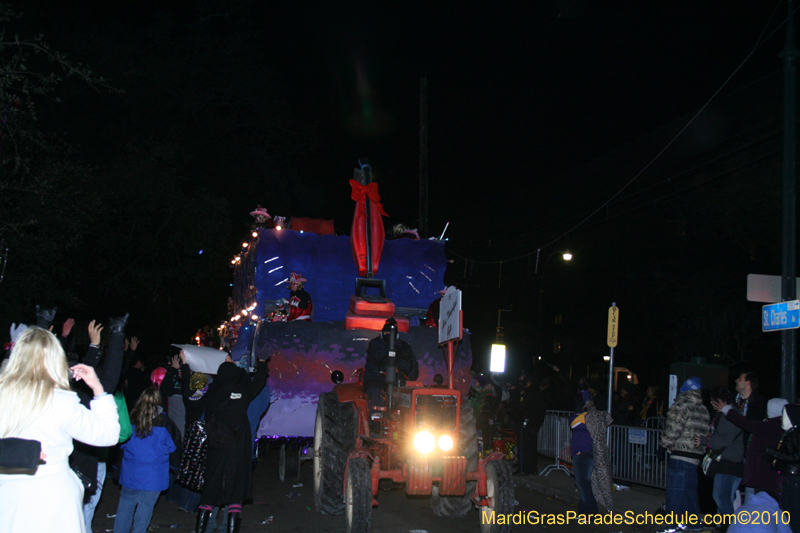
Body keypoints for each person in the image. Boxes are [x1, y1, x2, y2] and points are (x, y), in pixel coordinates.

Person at [0, 327, 120, 533]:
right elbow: (108, 434)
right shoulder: (61, 401)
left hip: (8, 494)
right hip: (51, 497)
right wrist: (98, 389)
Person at [195, 357, 268, 533]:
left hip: (217, 446)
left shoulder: (212, 393)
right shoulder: (243, 393)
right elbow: (257, 382)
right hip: (237, 448)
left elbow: (215, 382)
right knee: (236, 493)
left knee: (210, 491)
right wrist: (261, 365)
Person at [114, 388, 182, 533]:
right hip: (154, 476)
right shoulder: (166, 423)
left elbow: (121, 445)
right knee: (145, 506)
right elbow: (174, 448)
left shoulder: (131, 419)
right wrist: (177, 469)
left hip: (130, 473)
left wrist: (116, 467)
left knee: (126, 504)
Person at [712, 396, 788, 502]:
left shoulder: (768, 426)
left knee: (757, 504)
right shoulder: (783, 428)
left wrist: (727, 410)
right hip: (772, 476)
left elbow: (744, 423)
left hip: (761, 475)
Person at [659, 376, 710, 530]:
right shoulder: (704, 409)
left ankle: (671, 526)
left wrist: (662, 446)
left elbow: (673, 429)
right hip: (695, 456)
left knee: (674, 493)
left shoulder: (681, 405)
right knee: (689, 492)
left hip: (680, 453)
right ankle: (693, 523)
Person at [695, 387, 744, 531]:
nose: (712, 403)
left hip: (728, 461)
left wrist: (706, 440)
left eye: (714, 401)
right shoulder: (728, 414)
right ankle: (725, 526)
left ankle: (728, 527)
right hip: (729, 460)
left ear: (721, 401)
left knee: (720, 496)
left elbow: (725, 439)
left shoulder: (730, 415)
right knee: (724, 496)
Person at [363, 318, 418, 417]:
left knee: (414, 392)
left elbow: (413, 364)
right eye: (386, 332)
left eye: (391, 332)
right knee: (375, 389)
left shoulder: (405, 347)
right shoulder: (375, 344)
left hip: (400, 378)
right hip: (376, 377)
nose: (388, 334)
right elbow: (378, 358)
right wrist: (393, 356)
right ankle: (375, 417)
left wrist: (409, 378)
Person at [570, 400, 614, 514]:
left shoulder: (587, 418)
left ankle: (592, 512)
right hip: (591, 452)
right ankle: (583, 511)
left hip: (583, 452)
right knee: (584, 483)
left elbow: (573, 422)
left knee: (583, 483)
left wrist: (583, 410)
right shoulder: (600, 417)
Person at [765, 404, 800, 533]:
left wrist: (774, 453)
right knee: (788, 511)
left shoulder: (795, 434)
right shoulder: (790, 433)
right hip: (790, 476)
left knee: (793, 512)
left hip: (794, 478)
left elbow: (796, 456)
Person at [510, 370, 546, 476]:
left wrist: (514, 398)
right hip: (531, 423)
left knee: (524, 447)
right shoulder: (535, 393)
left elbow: (522, 408)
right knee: (530, 447)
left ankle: (523, 468)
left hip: (526, 423)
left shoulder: (529, 394)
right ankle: (530, 468)